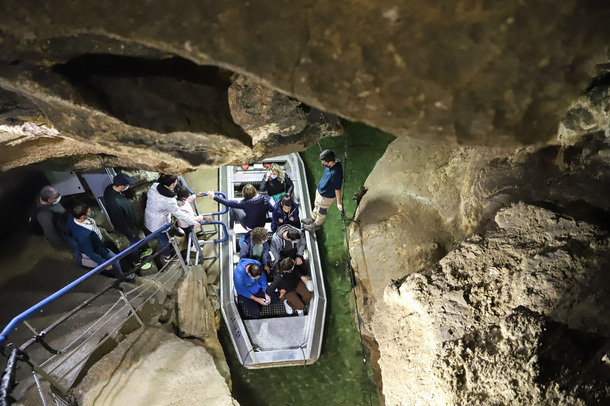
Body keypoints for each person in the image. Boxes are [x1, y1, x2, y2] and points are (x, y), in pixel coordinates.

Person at [67, 203, 128, 279]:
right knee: (115, 260)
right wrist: (103, 262)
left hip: (96, 241)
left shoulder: (72, 217)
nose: (90, 213)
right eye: (88, 212)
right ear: (83, 216)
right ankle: (120, 276)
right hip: (97, 248)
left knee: (113, 259)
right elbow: (89, 252)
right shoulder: (83, 235)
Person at [103, 173, 152, 269]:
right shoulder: (115, 203)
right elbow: (120, 222)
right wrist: (130, 233)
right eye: (127, 185)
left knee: (136, 237)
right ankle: (137, 261)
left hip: (130, 223)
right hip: (127, 227)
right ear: (121, 186)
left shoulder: (109, 189)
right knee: (134, 244)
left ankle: (143, 249)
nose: (128, 186)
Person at [144, 174, 197, 262]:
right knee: (164, 240)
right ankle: (167, 256)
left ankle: (167, 245)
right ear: (172, 184)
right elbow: (179, 214)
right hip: (159, 224)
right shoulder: (169, 200)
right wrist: (193, 221)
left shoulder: (154, 186)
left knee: (161, 236)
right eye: (176, 181)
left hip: (149, 217)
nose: (177, 182)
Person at [303, 149, 343, 232]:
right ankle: (313, 218)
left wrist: (339, 202)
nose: (322, 163)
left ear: (330, 161)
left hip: (326, 197)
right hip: (320, 191)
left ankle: (316, 224)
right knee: (316, 205)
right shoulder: (334, 162)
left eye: (324, 161)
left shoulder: (336, 173)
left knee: (322, 211)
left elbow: (337, 189)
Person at [206, 184, 273, 231]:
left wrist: (214, 196)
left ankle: (231, 228)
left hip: (250, 227)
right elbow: (271, 209)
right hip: (262, 225)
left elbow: (227, 202)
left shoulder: (243, 203)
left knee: (233, 208)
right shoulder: (264, 199)